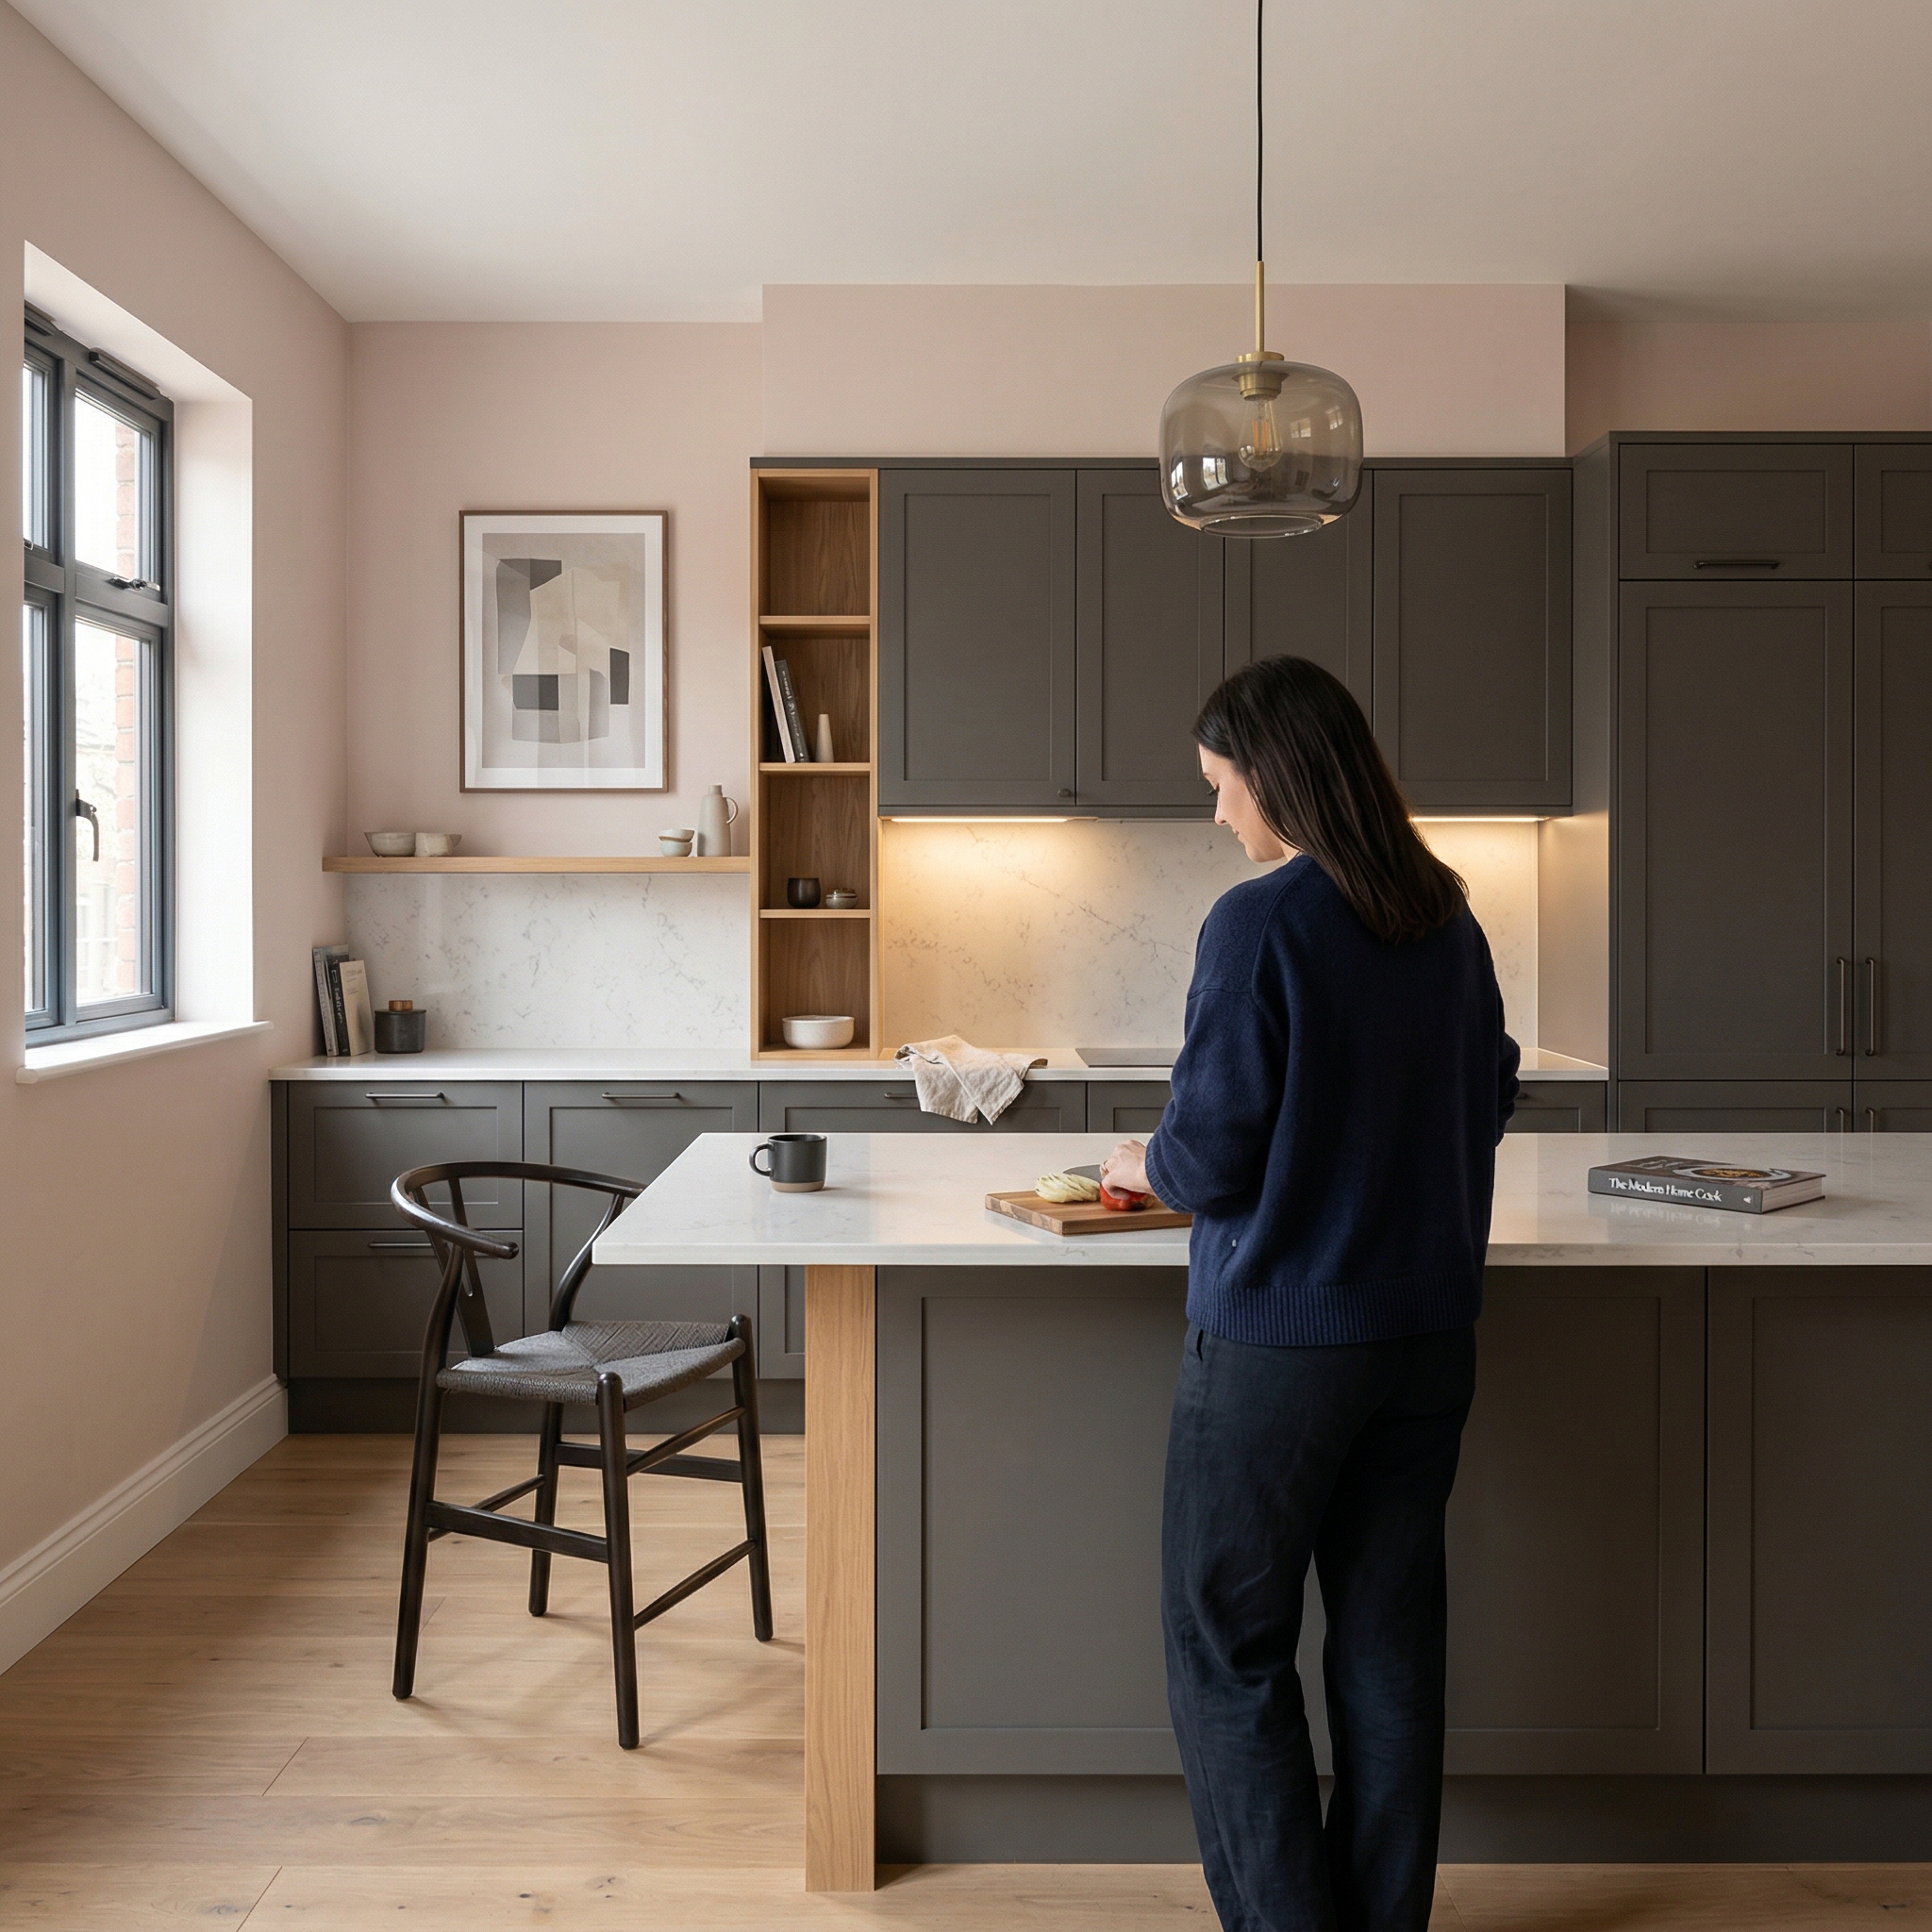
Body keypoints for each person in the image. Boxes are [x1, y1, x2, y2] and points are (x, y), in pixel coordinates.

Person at [1102, 654, 1518, 1932]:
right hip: (1428, 1340)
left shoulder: (1261, 923)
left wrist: (1142, 1163)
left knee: (1226, 1647)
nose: (1219, 811)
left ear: (1274, 776)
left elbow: (1208, 1158)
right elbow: (1491, 1087)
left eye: (1220, 783)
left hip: (1280, 1347)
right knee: (1388, 1647)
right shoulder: (1444, 916)